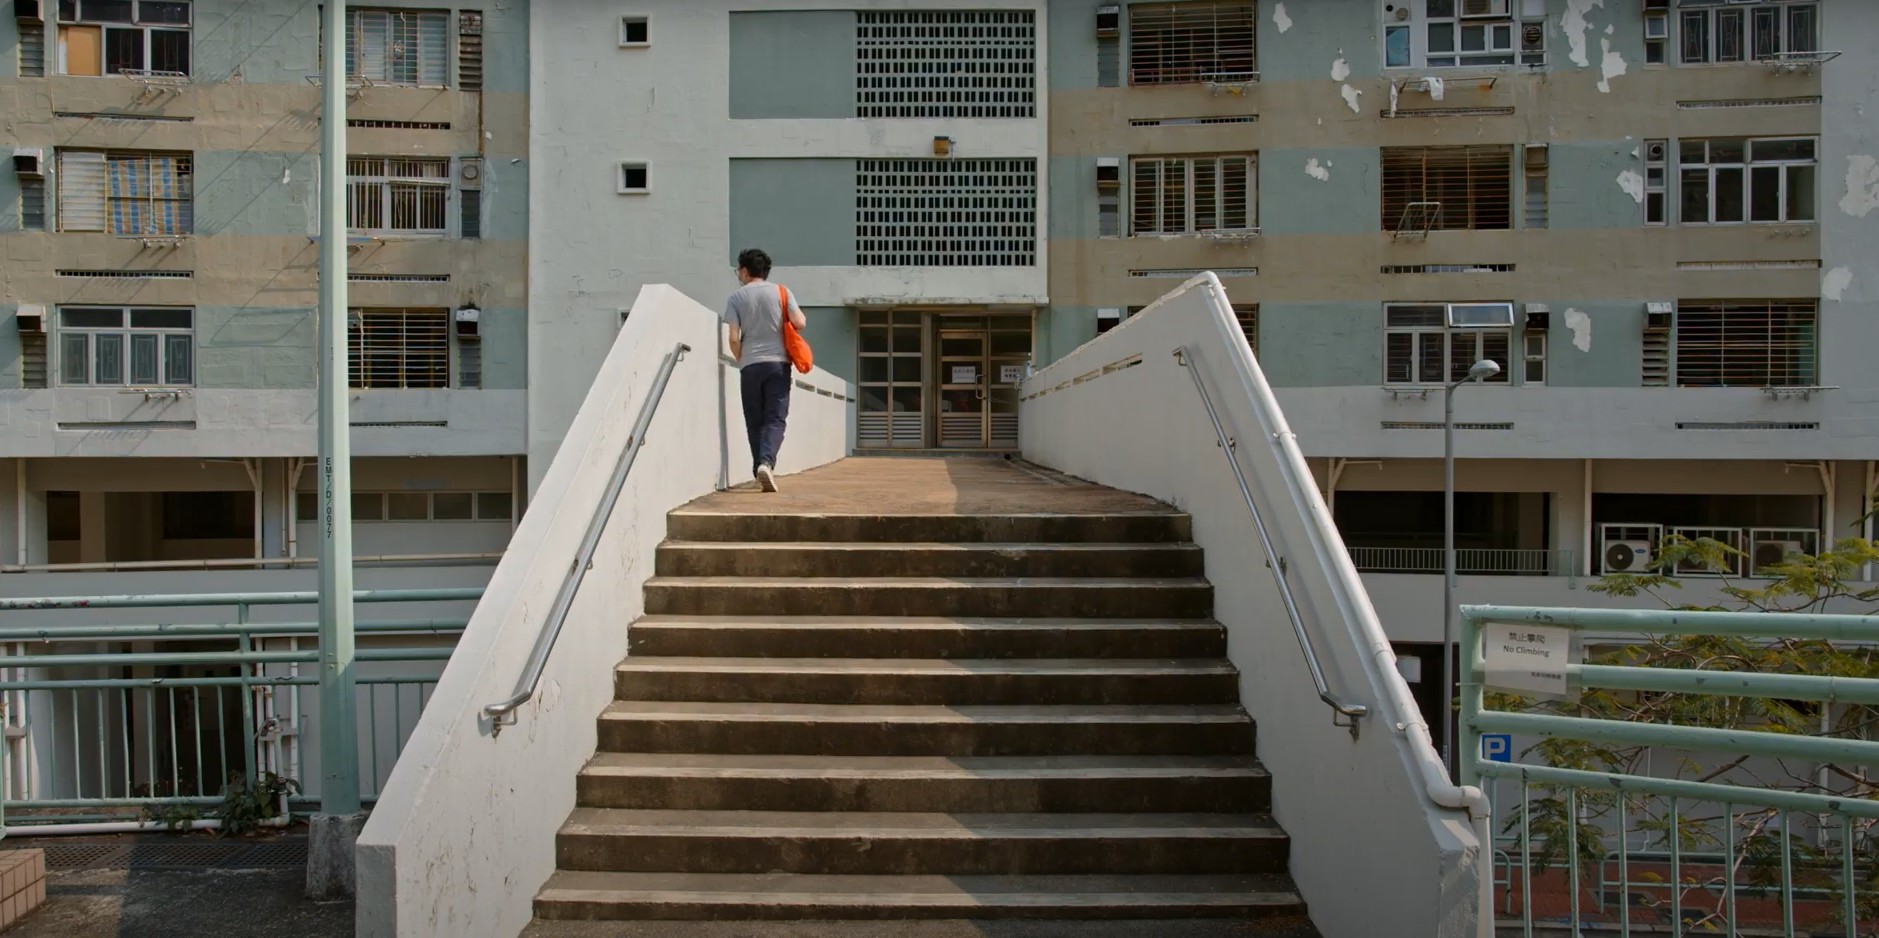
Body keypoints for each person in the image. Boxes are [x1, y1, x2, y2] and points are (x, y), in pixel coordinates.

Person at [723, 248, 805, 492]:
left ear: (746, 271)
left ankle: (758, 466)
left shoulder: (736, 298)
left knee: (754, 420)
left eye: (739, 270)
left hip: (750, 365)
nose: (738, 274)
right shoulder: (782, 291)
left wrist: (741, 359)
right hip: (778, 364)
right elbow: (800, 322)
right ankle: (767, 463)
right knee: (775, 417)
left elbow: (734, 337)